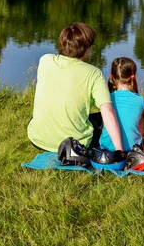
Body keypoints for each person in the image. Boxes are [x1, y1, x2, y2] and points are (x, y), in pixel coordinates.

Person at [27, 22, 123, 153]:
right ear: (87, 48)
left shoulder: (45, 60)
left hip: (37, 140)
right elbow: (107, 110)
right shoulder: (94, 73)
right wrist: (119, 150)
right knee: (104, 118)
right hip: (76, 145)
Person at [98, 57, 144, 152]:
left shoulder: (107, 98)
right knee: (142, 115)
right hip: (130, 149)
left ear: (112, 77)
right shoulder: (141, 100)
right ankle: (138, 143)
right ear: (133, 77)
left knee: (106, 112)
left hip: (106, 148)